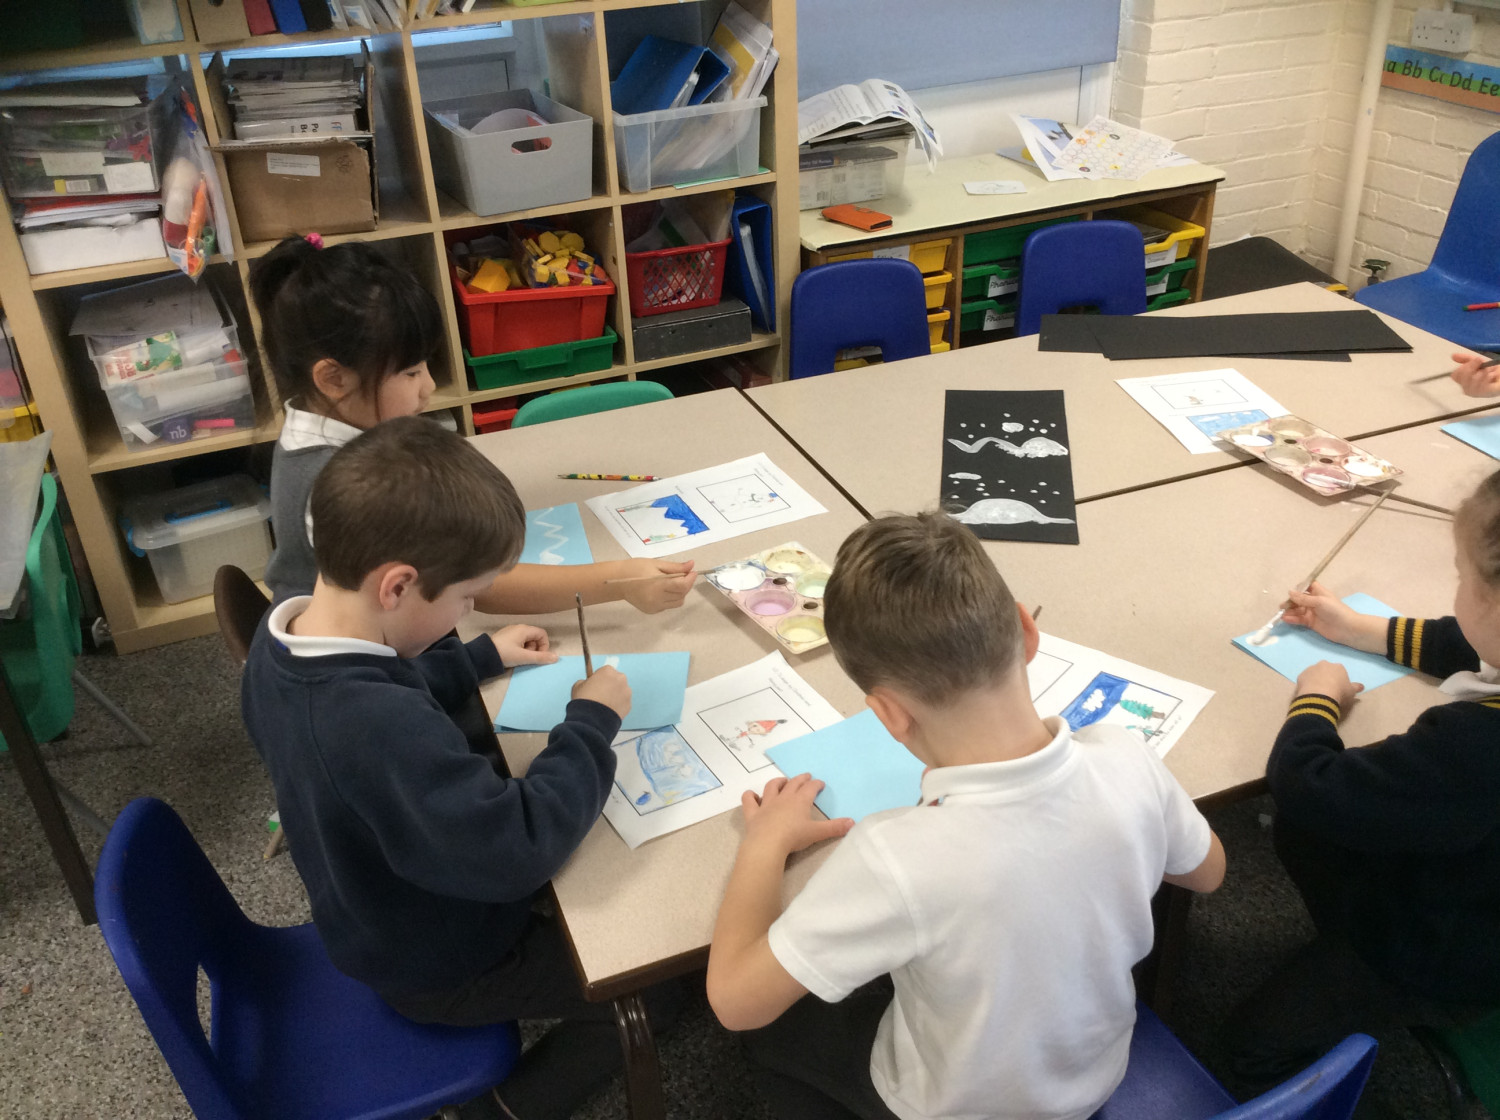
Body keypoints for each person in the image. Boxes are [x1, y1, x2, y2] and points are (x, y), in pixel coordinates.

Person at [705, 512, 1226, 1120]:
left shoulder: (893, 855)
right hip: (1094, 1076)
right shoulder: (1124, 754)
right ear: (1027, 632)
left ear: (887, 713)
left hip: (951, 1107)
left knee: (780, 1034)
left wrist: (764, 842)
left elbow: (736, 1003)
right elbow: (1208, 872)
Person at [241, 417, 677, 1120]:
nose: (469, 611)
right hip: (443, 961)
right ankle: (501, 1109)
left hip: (378, 903)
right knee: (657, 981)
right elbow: (520, 847)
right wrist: (591, 723)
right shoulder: (374, 726)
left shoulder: (285, 641)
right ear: (397, 586)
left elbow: (384, 685)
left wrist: (477, 656)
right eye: (467, 598)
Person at [1223, 469, 1500, 1114]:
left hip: (1449, 947)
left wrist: (1315, 702)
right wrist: (1356, 628)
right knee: (1315, 835)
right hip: (1477, 884)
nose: (1456, 588)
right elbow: (1466, 644)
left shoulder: (1474, 748)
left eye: (1462, 576)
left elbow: (1310, 785)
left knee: (1248, 1049)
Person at [249, 234, 694, 611]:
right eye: (410, 372)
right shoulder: (342, 484)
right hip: (352, 660)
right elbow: (473, 585)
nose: (428, 387)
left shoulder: (317, 424)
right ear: (333, 379)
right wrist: (619, 581)